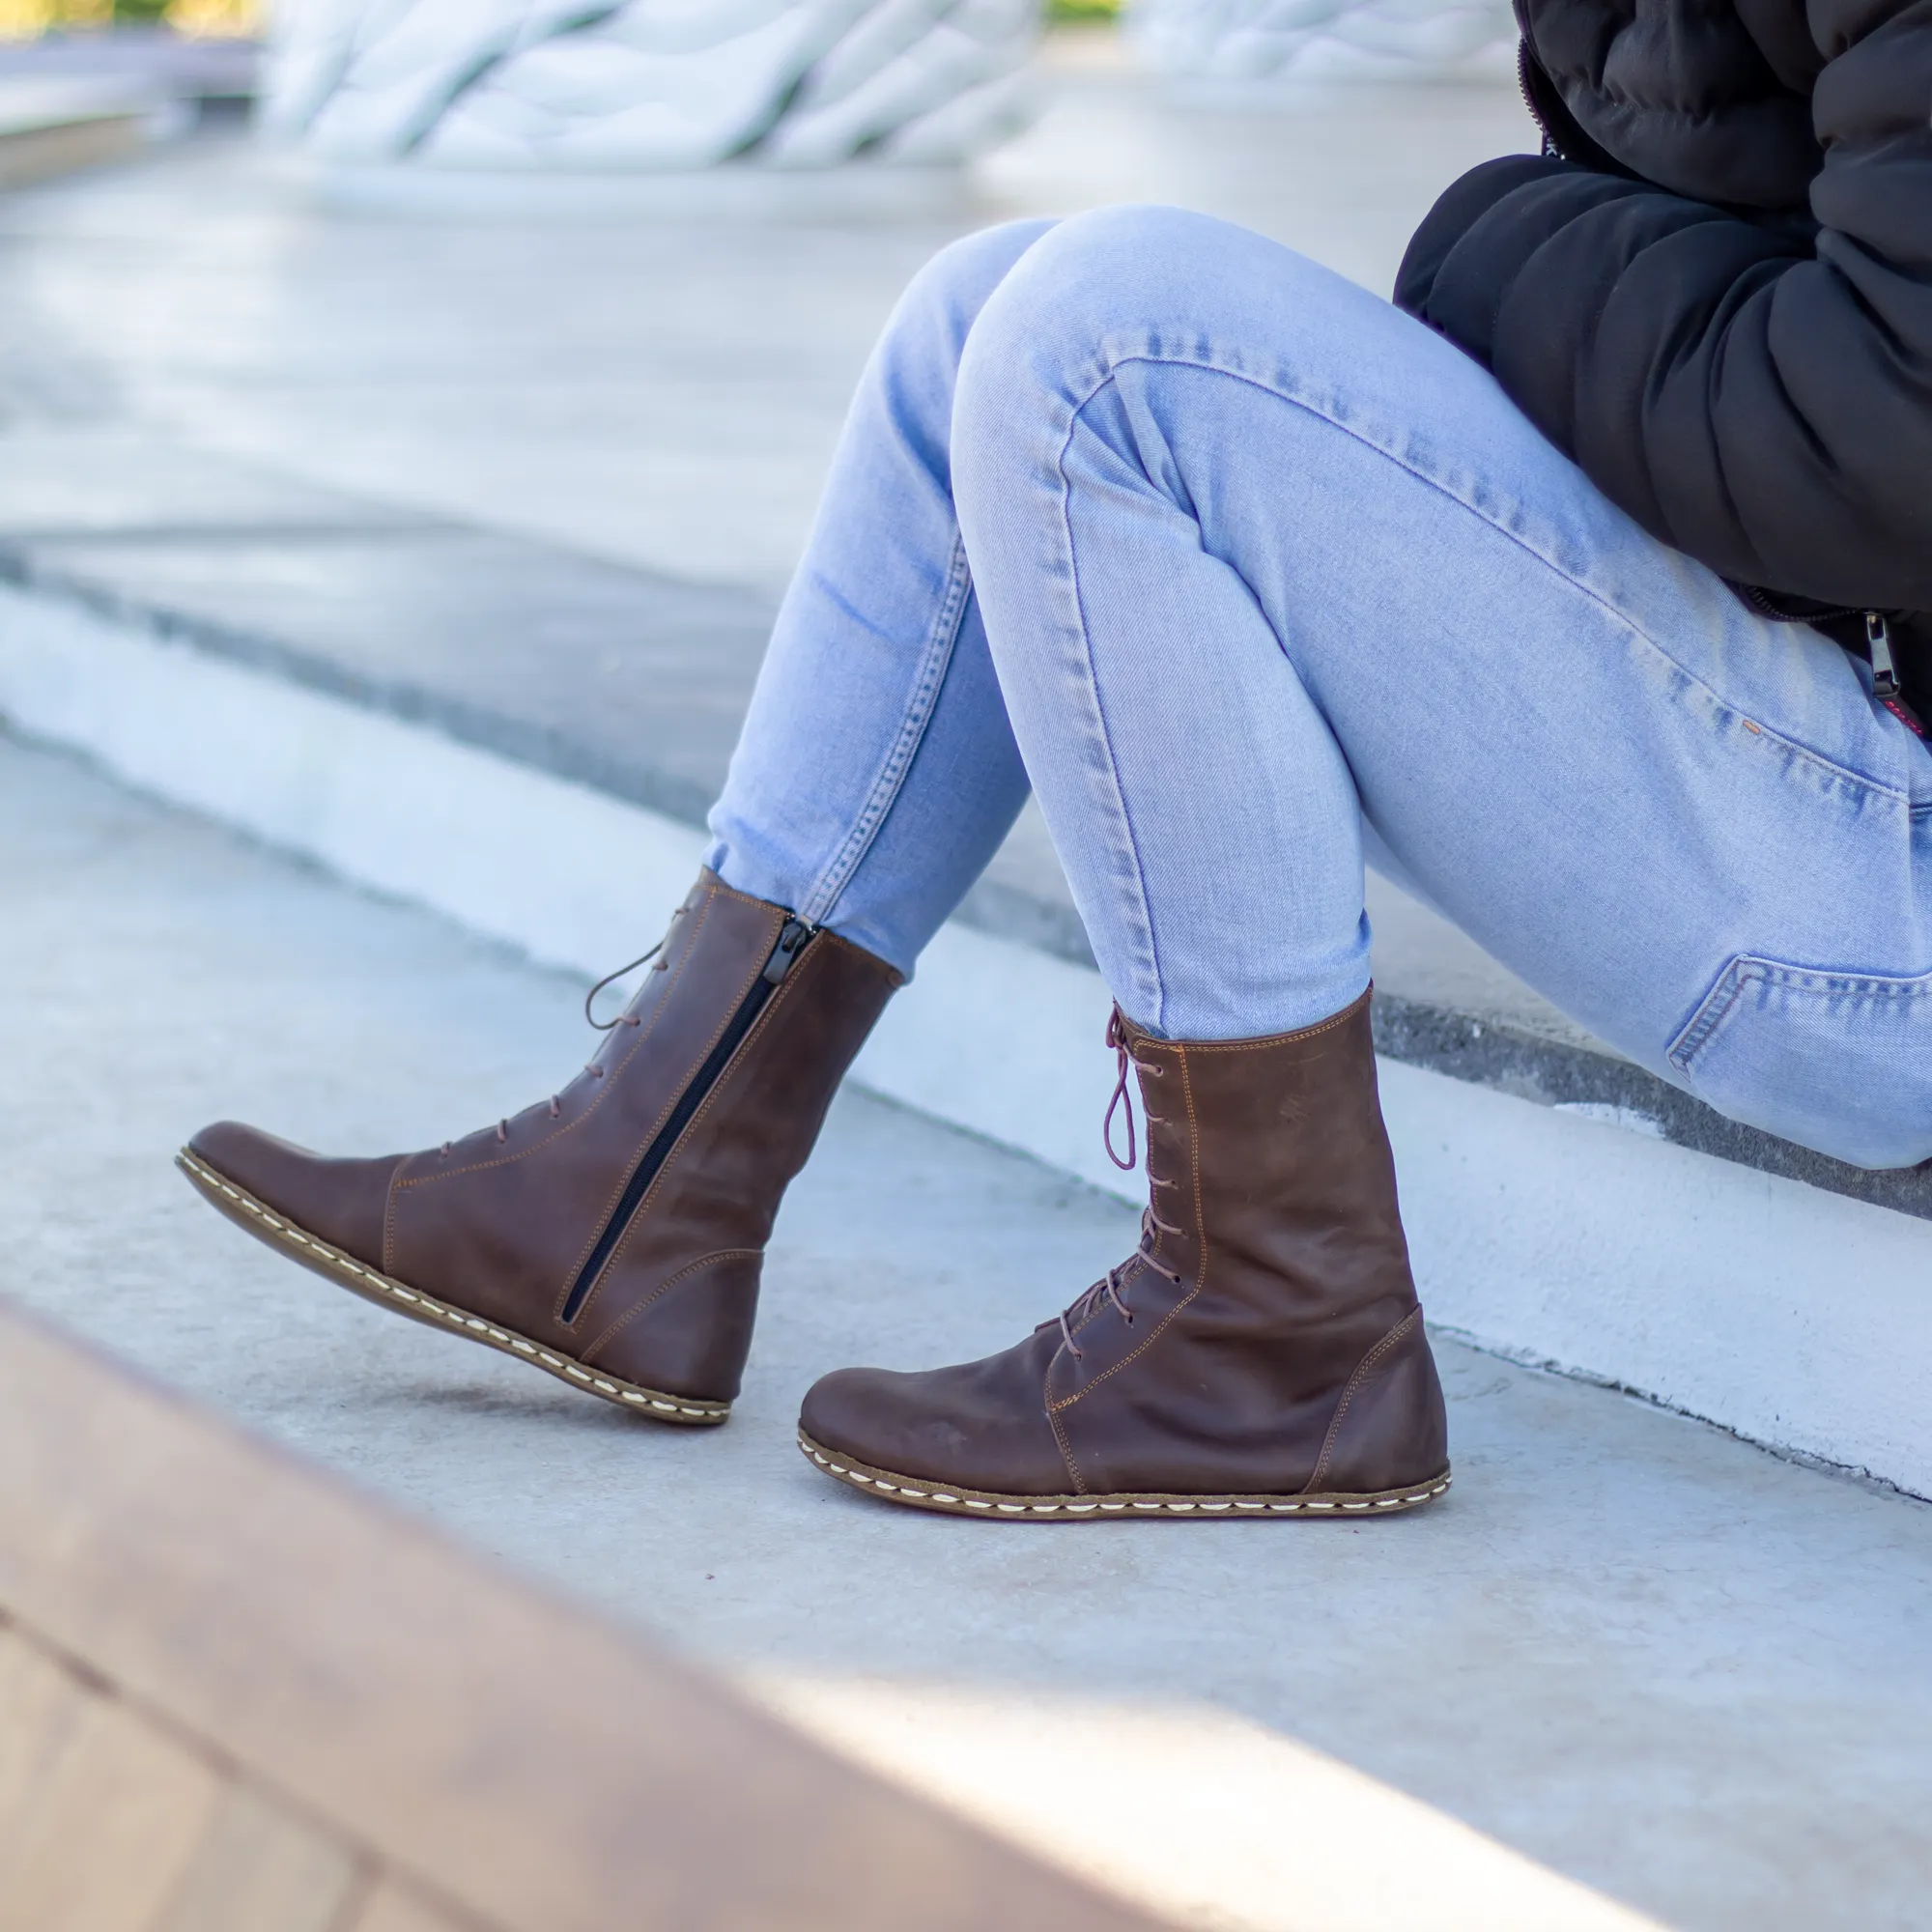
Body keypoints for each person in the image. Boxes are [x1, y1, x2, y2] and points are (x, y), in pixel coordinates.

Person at [178, 0, 1932, 1521]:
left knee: (1117, 342)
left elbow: (1888, 436)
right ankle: (642, 1172)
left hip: (1893, 907)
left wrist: (1492, 248)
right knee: (990, 314)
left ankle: (1276, 1315)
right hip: (1836, 756)